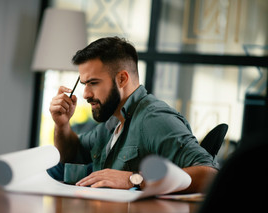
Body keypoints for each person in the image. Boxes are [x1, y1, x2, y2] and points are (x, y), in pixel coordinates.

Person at [49, 36, 217, 192]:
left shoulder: (154, 119)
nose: (85, 94)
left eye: (93, 83)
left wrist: (133, 179)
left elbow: (210, 176)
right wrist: (62, 124)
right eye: (84, 84)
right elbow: (71, 155)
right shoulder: (113, 122)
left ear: (122, 79)